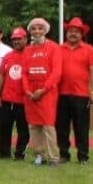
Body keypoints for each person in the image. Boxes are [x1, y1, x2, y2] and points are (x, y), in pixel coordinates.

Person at [56, 17, 93, 165]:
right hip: (61, 93)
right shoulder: (59, 49)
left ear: (81, 34)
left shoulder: (89, 49)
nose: (73, 34)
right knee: (61, 127)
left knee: (81, 127)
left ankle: (83, 156)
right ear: (66, 33)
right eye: (70, 31)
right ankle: (63, 154)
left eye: (76, 31)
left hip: (81, 94)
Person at [22, 17, 62, 166]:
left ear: (45, 30)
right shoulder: (27, 50)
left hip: (47, 92)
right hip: (31, 93)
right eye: (33, 28)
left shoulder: (54, 47)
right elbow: (24, 73)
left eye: (40, 28)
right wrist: (27, 90)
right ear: (30, 32)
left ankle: (53, 157)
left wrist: (44, 89)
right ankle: (39, 155)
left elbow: (57, 72)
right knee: (33, 125)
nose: (37, 31)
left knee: (48, 125)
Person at [0, 27, 30, 160]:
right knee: (4, 126)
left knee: (23, 128)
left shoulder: (30, 54)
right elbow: (1, 75)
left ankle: (20, 154)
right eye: (14, 39)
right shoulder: (8, 56)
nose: (16, 42)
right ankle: (4, 153)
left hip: (24, 99)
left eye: (19, 39)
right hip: (7, 98)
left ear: (25, 39)